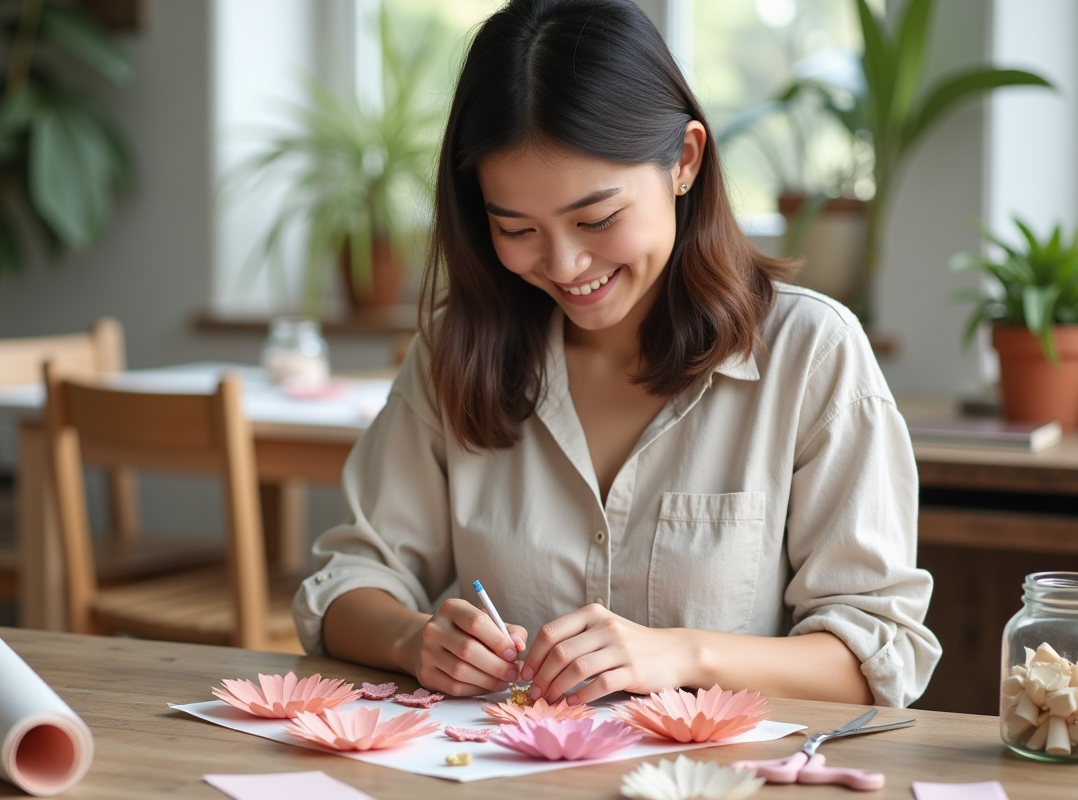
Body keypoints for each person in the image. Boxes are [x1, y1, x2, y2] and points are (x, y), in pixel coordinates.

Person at [293, 0, 940, 709]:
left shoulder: (811, 356)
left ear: (685, 161)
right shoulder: (457, 352)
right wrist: (413, 640)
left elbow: (875, 653)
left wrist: (678, 654)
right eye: (517, 228)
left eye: (597, 218)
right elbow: (350, 579)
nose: (566, 264)